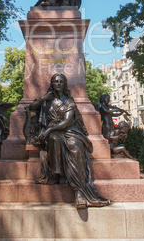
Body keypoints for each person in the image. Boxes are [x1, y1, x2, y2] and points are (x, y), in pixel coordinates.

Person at [27, 74, 111, 209]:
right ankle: (57, 173)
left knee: (75, 146)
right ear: (52, 84)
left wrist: (48, 130)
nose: (58, 84)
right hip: (54, 132)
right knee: (54, 139)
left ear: (64, 84)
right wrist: (43, 98)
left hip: (69, 130)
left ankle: (78, 191)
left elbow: (67, 121)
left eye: (61, 81)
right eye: (55, 81)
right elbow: (31, 108)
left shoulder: (69, 102)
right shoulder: (47, 100)